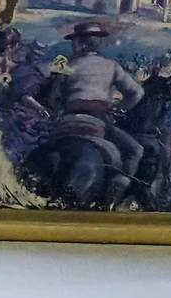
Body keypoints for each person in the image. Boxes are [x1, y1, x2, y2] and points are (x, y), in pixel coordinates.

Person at [43, 21, 147, 207]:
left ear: (81, 43)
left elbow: (53, 99)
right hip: (98, 120)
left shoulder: (65, 65)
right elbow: (137, 92)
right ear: (98, 43)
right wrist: (121, 107)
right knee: (135, 151)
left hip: (67, 121)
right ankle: (112, 199)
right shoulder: (111, 66)